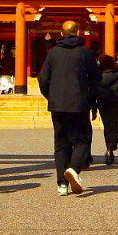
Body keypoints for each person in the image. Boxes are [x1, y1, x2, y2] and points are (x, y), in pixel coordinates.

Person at [38, 20, 100, 195]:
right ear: (78, 32)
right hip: (80, 103)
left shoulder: (53, 53)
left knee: (61, 143)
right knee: (82, 140)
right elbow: (95, 80)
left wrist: (51, 96)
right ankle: (73, 168)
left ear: (61, 33)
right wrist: (92, 101)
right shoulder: (85, 53)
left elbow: (43, 79)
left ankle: (62, 185)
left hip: (58, 105)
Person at [93, 54, 118, 165]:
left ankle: (110, 149)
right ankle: (111, 147)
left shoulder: (97, 76)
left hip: (103, 104)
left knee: (107, 126)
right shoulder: (117, 74)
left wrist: (93, 108)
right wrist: (115, 91)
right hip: (115, 103)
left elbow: (94, 92)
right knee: (115, 125)